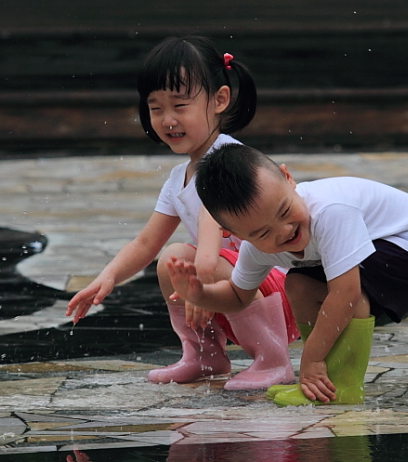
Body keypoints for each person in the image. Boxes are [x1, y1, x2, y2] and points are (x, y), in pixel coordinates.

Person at [66, 36, 298, 391]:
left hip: (278, 292)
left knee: (201, 260)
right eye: (156, 108)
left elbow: (211, 227)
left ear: (220, 99)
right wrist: (108, 277)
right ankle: (204, 355)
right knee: (170, 258)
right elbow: (146, 241)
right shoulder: (180, 177)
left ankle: (272, 360)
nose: (168, 119)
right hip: (226, 287)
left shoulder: (228, 162)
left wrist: (200, 285)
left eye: (180, 105)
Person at [166, 143, 408, 406]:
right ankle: (325, 384)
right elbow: (239, 297)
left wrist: (311, 359)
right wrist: (200, 295)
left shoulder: (330, 212)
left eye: (285, 210)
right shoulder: (256, 251)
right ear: (230, 232)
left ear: (288, 178)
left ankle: (341, 384)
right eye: (263, 233)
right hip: (393, 244)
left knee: (343, 293)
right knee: (301, 285)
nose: (284, 230)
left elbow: (347, 294)